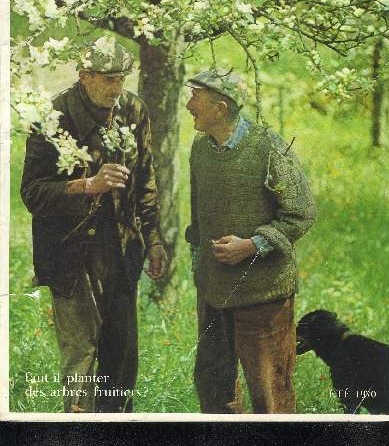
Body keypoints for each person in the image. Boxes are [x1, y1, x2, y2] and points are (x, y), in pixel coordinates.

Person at [21, 36, 168, 413]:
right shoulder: (53, 117)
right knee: (81, 356)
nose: (116, 88)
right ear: (85, 76)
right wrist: (86, 186)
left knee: (121, 354)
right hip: (71, 253)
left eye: (121, 78)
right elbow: (33, 193)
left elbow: (146, 181)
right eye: (107, 79)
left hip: (121, 250)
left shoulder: (133, 111)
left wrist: (153, 241)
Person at [185, 69, 316, 414]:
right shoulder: (200, 148)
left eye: (195, 97)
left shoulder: (269, 147)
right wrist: (199, 261)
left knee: (270, 395)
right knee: (214, 391)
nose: (188, 105)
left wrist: (253, 245)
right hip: (213, 295)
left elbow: (301, 213)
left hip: (263, 294)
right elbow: (199, 218)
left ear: (221, 107)